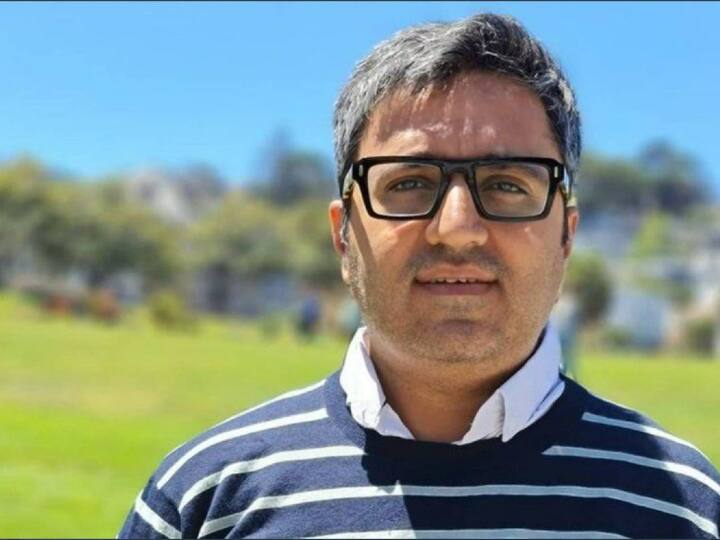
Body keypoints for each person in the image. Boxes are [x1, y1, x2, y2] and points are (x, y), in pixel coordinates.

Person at [119, 13, 720, 538]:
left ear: (566, 233)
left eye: (507, 184)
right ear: (343, 235)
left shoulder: (689, 510)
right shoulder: (204, 500)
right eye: (409, 183)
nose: (457, 229)